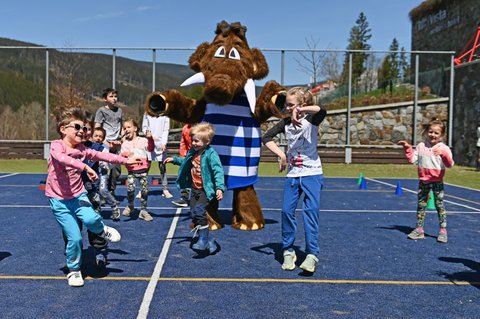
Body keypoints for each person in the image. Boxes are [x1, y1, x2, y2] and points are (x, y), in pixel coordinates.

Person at [46, 107, 140, 287]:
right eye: (77, 127)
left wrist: (124, 160)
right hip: (59, 200)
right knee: (75, 238)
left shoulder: (83, 149)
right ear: (63, 129)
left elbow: (102, 155)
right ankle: (73, 270)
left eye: (83, 128)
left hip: (78, 195)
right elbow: (61, 158)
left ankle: (101, 230)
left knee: (91, 218)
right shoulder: (56, 145)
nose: (82, 131)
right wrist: (85, 167)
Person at [262, 87, 327, 273]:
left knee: (310, 213)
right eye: (287, 106)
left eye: (291, 105)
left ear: (302, 105)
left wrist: (302, 111)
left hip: (312, 174)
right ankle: (288, 251)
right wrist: (282, 155)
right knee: (286, 212)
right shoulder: (285, 123)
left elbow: (322, 110)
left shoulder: (311, 120)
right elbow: (266, 137)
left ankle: (312, 254)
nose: (287, 109)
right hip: (292, 175)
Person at [164, 122, 225, 254]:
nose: (193, 143)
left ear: (207, 141)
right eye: (193, 140)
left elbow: (218, 171)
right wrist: (174, 160)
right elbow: (185, 160)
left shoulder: (211, 154)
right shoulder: (193, 151)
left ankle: (202, 240)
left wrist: (220, 187)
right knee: (193, 214)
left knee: (199, 211)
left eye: (196, 141)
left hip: (205, 189)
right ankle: (209, 240)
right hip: (195, 189)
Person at [398, 118, 454, 243]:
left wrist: (443, 154)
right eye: (430, 132)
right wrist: (407, 148)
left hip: (437, 182)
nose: (432, 135)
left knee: (440, 205)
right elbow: (413, 160)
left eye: (436, 133)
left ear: (442, 135)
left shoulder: (443, 148)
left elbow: (450, 164)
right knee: (421, 205)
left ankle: (443, 231)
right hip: (424, 182)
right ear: (427, 132)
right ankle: (419, 229)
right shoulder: (421, 146)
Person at [120, 118, 155, 221]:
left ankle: (143, 211)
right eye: (124, 128)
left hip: (143, 171)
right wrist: (126, 154)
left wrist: (150, 139)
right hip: (132, 171)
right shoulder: (125, 144)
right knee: (130, 189)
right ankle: (130, 205)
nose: (126, 129)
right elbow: (122, 156)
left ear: (135, 128)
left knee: (144, 191)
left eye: (129, 127)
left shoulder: (143, 140)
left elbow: (151, 148)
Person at [94, 88, 123, 196]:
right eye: (111, 96)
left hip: (117, 144)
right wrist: (105, 143)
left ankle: (111, 190)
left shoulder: (119, 111)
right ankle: (102, 191)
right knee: (104, 169)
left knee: (116, 170)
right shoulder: (101, 111)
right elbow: (97, 128)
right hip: (105, 143)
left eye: (115, 96)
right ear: (105, 99)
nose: (114, 98)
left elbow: (121, 126)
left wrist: (121, 139)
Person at [91, 127, 121, 221]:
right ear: (91, 136)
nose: (98, 138)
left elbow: (111, 163)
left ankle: (114, 206)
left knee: (103, 190)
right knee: (93, 191)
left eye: (100, 136)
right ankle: (97, 209)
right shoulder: (89, 146)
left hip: (102, 171)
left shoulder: (105, 149)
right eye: (96, 136)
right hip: (92, 172)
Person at [141, 111, 173, 199]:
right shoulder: (147, 112)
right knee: (146, 167)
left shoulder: (165, 114)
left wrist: (164, 143)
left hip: (160, 144)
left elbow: (166, 129)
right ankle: (142, 189)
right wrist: (147, 133)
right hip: (149, 143)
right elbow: (144, 126)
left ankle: (165, 189)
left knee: (162, 167)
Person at [171, 123, 192, 207]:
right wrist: (183, 157)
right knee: (184, 176)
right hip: (189, 156)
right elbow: (183, 144)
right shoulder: (185, 128)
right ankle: (184, 198)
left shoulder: (203, 126)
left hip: (201, 156)